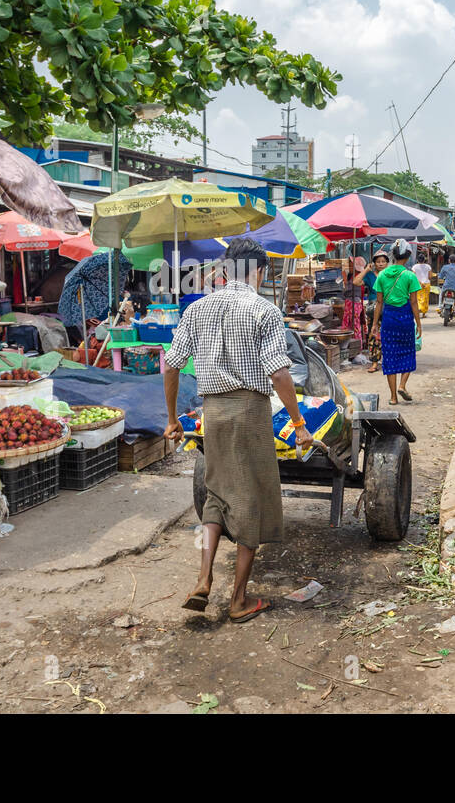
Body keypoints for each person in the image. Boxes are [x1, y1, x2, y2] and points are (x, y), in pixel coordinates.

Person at [163, 238, 313, 624]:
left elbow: (171, 365)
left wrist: (171, 419)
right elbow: (280, 373)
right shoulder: (264, 310)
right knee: (251, 498)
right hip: (249, 411)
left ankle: (203, 577)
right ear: (260, 272)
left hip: (213, 411)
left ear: (225, 270)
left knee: (217, 493)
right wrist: (298, 424)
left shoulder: (198, 308)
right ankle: (239, 600)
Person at [370, 240, 425, 405]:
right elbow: (414, 303)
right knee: (408, 352)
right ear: (408, 257)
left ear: (392, 255)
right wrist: (419, 323)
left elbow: (379, 303)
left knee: (390, 356)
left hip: (388, 319)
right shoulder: (409, 275)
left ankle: (393, 397)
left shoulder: (382, 275)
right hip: (405, 319)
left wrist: (374, 324)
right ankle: (402, 385)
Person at [354, 250, 389, 372]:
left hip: (388, 309)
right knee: (373, 335)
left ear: (387, 263)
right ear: (374, 263)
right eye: (378, 261)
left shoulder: (390, 275)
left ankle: (387, 361)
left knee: (388, 335)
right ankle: (374, 362)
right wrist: (366, 270)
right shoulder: (370, 276)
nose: (381, 264)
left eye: (383, 261)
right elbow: (356, 282)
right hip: (373, 310)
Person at [411, 250, 433, 318]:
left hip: (417, 284)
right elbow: (430, 277)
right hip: (426, 284)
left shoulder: (414, 267)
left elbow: (413, 276)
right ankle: (423, 313)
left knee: (418, 298)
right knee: (426, 299)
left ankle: (418, 309)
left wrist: (420, 282)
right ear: (424, 260)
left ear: (418, 260)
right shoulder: (428, 266)